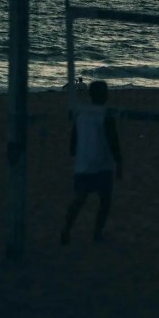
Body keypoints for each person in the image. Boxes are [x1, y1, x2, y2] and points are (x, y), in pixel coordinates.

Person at [61, 80, 122, 245]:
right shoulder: (105, 114)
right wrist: (119, 162)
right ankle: (96, 234)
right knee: (104, 201)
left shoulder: (82, 112)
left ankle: (66, 230)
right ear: (104, 95)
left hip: (84, 164)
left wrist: (73, 150)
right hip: (102, 164)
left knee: (80, 199)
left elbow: (74, 137)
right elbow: (113, 140)